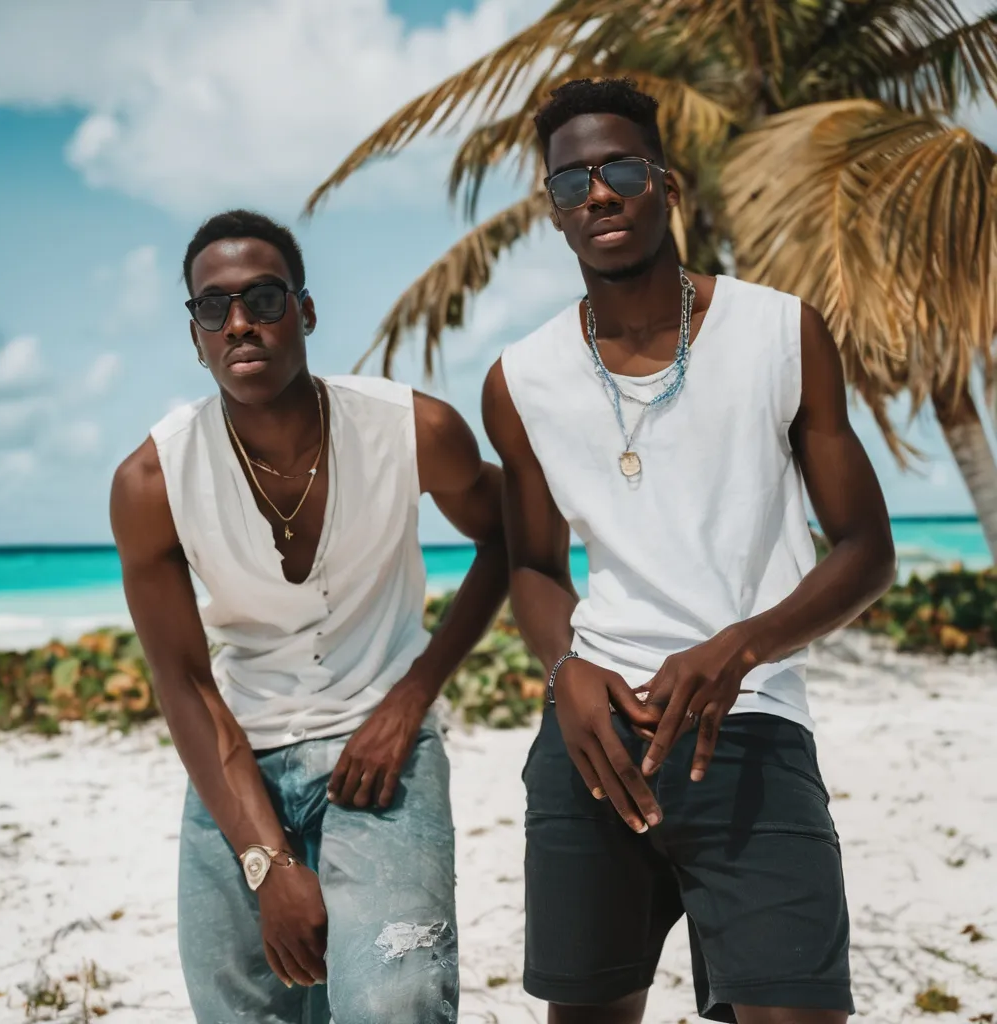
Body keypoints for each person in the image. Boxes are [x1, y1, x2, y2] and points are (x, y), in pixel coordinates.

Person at [482, 78, 896, 1024]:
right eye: (571, 181)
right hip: (593, 736)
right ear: (553, 210)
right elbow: (536, 567)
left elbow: (867, 550)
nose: (598, 193)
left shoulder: (779, 331)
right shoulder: (519, 381)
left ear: (665, 185)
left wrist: (741, 645)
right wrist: (564, 673)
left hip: (749, 728)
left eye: (621, 169)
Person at [110, 209, 507, 1024]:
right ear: (195, 336)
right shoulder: (153, 481)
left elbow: (511, 537)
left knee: (394, 1004)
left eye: (263, 297)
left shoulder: (412, 428)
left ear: (307, 310)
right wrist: (266, 859)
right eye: (213, 309)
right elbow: (182, 680)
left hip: (381, 754)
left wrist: (411, 696)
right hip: (236, 762)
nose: (240, 323)